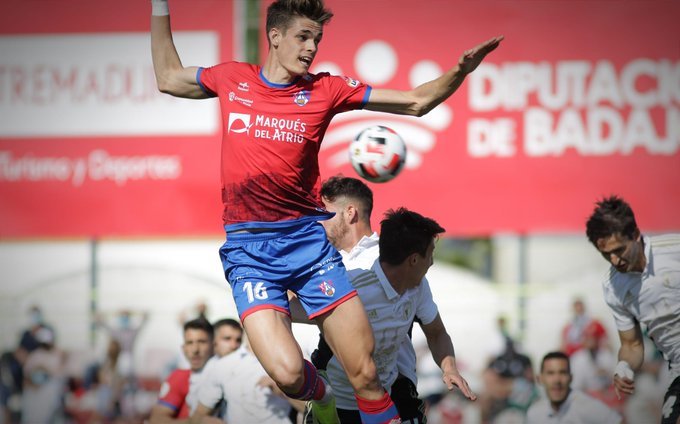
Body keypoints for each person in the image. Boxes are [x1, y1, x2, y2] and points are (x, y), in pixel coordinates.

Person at [150, 0, 502, 421]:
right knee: (288, 374)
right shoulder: (232, 78)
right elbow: (168, 77)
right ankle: (323, 398)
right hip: (250, 253)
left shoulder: (327, 89)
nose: (311, 48)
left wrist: (460, 70)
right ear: (274, 36)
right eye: (303, 37)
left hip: (308, 247)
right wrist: (159, 6)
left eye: (316, 39)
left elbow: (416, 102)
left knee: (366, 374)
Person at [318, 207, 475, 423]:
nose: (431, 262)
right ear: (413, 260)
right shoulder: (352, 288)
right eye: (430, 254)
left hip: (386, 396)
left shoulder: (418, 287)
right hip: (341, 405)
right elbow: (296, 310)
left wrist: (449, 369)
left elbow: (436, 333)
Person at [303, 175, 428, 423]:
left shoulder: (388, 259)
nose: (317, 222)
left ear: (350, 213)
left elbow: (432, 323)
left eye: (324, 213)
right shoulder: (325, 260)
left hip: (390, 393)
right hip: (338, 394)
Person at [586, 195, 680, 424]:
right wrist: (624, 365)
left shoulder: (674, 250)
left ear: (635, 234)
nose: (614, 260)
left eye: (619, 250)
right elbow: (632, 345)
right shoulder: (613, 286)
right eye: (606, 254)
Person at [526, 351, 621, 424]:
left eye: (562, 373)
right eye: (550, 373)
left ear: (571, 378)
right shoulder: (534, 413)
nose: (557, 380)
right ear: (539, 379)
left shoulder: (587, 407)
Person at [149, 318, 214, 423]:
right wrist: (196, 422)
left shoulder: (226, 375)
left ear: (213, 345)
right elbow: (156, 420)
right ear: (183, 348)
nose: (195, 350)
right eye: (190, 343)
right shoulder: (180, 378)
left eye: (201, 342)